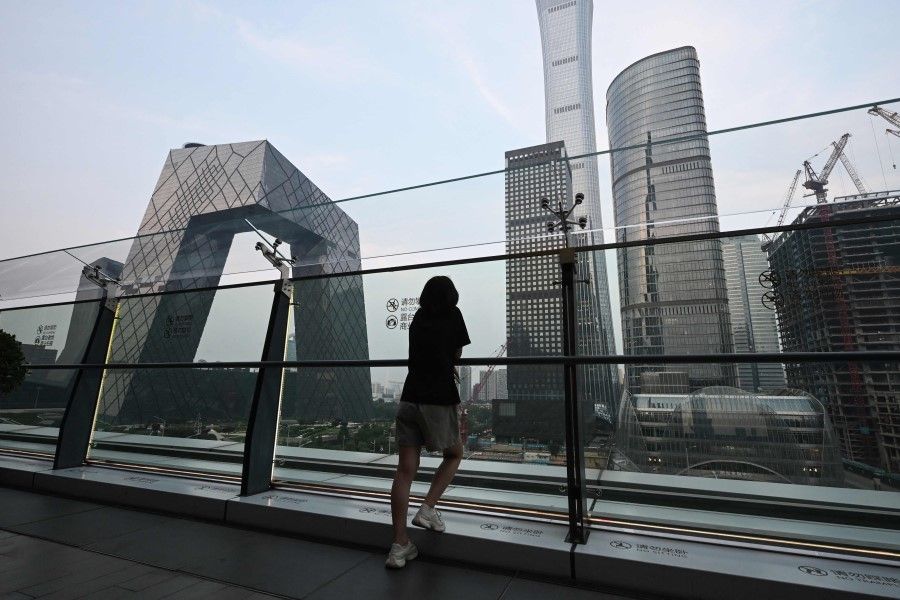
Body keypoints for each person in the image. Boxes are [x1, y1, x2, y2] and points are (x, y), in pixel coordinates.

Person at [385, 275, 470, 569]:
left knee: (405, 471)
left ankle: (399, 546)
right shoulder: (454, 314)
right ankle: (427, 508)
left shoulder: (418, 317)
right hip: (437, 398)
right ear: (452, 297)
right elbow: (456, 352)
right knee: (455, 453)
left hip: (409, 398)